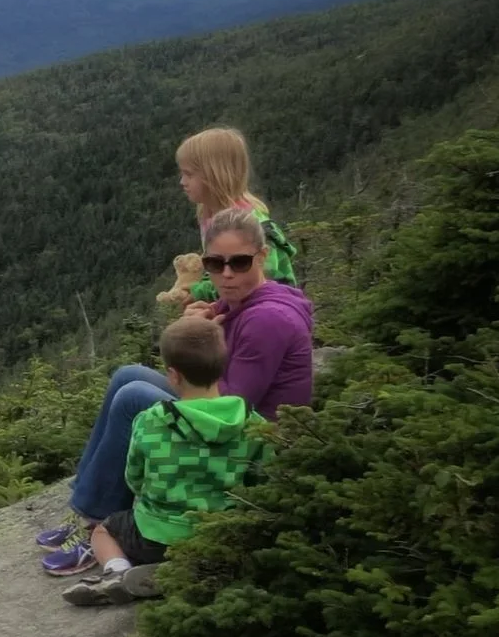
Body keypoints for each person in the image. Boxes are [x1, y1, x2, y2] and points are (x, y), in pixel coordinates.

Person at [43, 208, 314, 575]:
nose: (227, 274)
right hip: (228, 416)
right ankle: (86, 504)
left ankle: (97, 524)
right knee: (128, 375)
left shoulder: (267, 319)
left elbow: (232, 404)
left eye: (239, 262)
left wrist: (196, 338)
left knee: (133, 397)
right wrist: (196, 326)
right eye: (215, 264)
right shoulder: (241, 299)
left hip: (255, 436)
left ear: (262, 256)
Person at [61, 316, 269, 607]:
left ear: (173, 376)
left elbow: (134, 477)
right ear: (223, 367)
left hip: (154, 537)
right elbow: (262, 480)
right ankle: (197, 569)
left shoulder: (151, 421)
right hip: (219, 535)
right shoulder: (253, 423)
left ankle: (117, 572)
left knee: (103, 530)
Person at [174, 126, 298, 302]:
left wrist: (199, 292)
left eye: (188, 174)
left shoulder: (250, 225)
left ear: (213, 175)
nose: (182, 182)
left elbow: (253, 281)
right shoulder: (212, 215)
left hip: (270, 308)